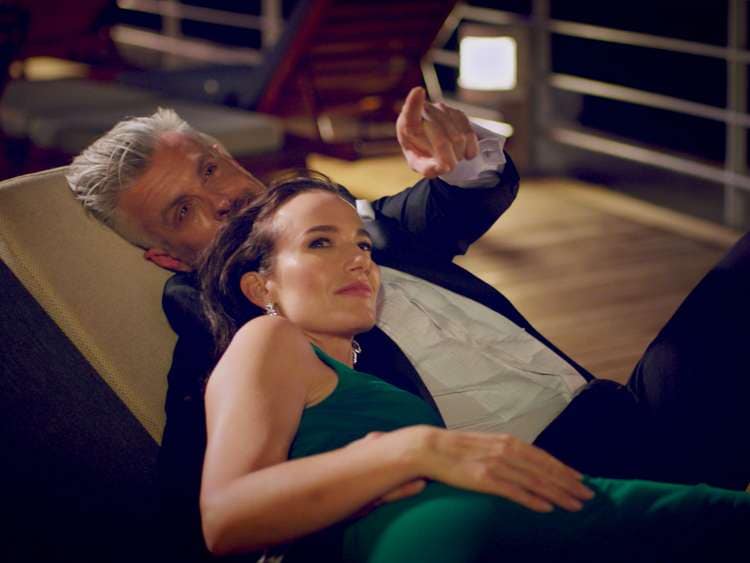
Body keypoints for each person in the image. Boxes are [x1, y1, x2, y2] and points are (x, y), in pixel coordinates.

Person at [66, 87, 750, 559]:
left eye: (211, 167)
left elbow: (443, 206)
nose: (222, 197)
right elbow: (202, 514)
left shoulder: (336, 218)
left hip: (616, 408)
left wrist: (461, 162)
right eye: (183, 211)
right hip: (531, 481)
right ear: (164, 255)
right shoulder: (221, 331)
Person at [196, 176, 749, 562]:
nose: (358, 258)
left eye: (361, 244)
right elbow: (224, 517)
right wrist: (412, 449)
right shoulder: (267, 337)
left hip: (515, 513)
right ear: (260, 286)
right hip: (463, 536)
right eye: (320, 243)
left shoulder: (347, 370)